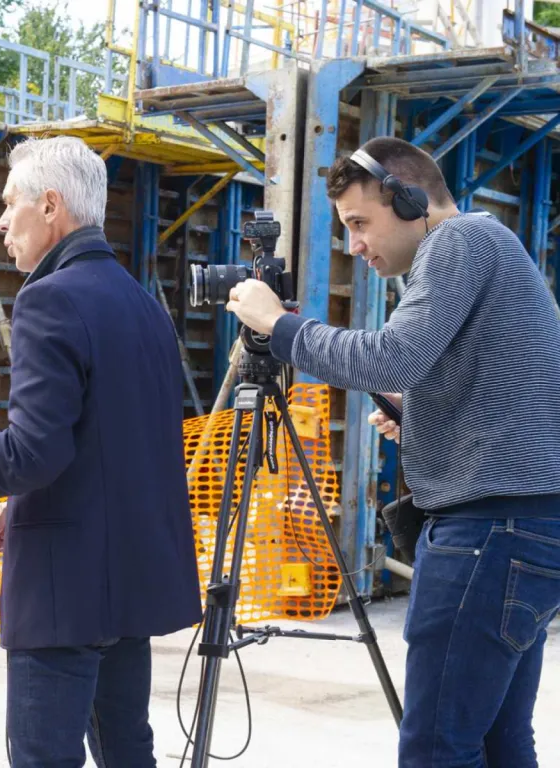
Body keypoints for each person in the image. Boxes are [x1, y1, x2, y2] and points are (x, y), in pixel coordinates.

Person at [224, 136, 560, 767]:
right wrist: (423, 425)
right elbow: (510, 393)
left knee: (436, 747)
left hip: (490, 535)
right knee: (496, 739)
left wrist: (278, 325)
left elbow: (392, 356)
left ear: (409, 201)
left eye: (359, 223)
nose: (354, 244)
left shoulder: (460, 242)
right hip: (519, 526)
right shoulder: (491, 248)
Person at [0, 136, 202, 767]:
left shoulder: (48, 298)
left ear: (51, 205)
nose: (0, 222)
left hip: (65, 588)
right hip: (127, 579)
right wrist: (18, 515)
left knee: (42, 756)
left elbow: (34, 452)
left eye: (10, 203)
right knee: (126, 746)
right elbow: (110, 449)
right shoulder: (143, 305)